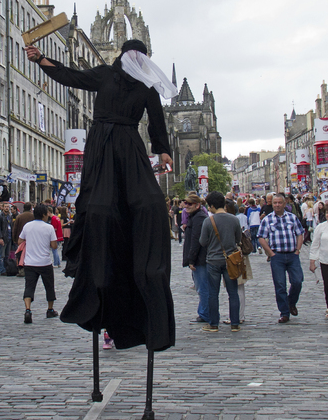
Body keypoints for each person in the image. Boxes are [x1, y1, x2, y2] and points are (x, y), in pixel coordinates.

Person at [28, 38, 176, 351]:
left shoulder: (147, 87)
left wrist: (163, 150)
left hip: (128, 143)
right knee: (100, 205)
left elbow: (157, 123)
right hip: (101, 143)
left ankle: (145, 264)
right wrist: (41, 60)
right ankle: (95, 264)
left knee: (147, 201)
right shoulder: (105, 75)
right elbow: (72, 77)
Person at [258, 193, 307, 323]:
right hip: (277, 255)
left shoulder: (292, 218)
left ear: (284, 204)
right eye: (275, 203)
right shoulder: (267, 219)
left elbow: (300, 233)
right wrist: (270, 253)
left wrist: (298, 250)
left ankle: (291, 302)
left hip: (292, 254)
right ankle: (284, 312)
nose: (277, 205)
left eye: (280, 203)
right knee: (280, 285)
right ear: (272, 204)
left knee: (297, 281)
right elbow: (261, 237)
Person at [198, 192, 242, 332]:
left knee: (213, 293)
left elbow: (203, 242)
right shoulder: (234, 219)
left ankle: (213, 324)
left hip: (213, 261)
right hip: (230, 260)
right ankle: (235, 323)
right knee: (233, 292)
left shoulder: (208, 221)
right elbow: (238, 239)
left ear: (211, 206)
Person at [18, 203, 59, 323]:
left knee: (29, 287)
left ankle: (28, 309)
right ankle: (50, 309)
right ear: (43, 215)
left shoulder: (27, 226)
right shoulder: (49, 227)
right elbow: (54, 246)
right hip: (45, 262)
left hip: (30, 262)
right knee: (49, 286)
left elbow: (20, 240)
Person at [181, 194, 210, 323]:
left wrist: (191, 259)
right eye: (185, 203)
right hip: (198, 258)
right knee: (201, 286)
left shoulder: (199, 218)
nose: (186, 206)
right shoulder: (195, 217)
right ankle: (204, 312)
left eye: (189, 204)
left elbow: (196, 240)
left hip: (200, 258)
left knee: (202, 287)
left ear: (197, 205)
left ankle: (205, 313)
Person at [0, 202, 14, 276]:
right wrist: (0, 238)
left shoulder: (9, 216)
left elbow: (11, 226)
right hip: (3, 237)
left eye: (8, 207)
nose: (7, 208)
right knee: (1, 255)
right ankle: (2, 270)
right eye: (5, 206)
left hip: (9, 237)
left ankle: (6, 268)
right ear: (2, 207)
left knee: (7, 255)